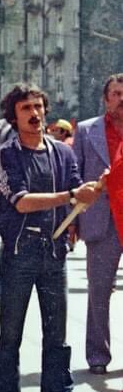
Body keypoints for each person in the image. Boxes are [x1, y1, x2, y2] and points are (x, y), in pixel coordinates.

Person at [0, 84, 102, 392]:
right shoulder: (6, 153)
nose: (35, 114)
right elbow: (21, 202)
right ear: (14, 115)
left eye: (38, 106)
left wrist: (86, 197)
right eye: (26, 108)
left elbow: (77, 191)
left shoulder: (62, 153)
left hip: (54, 254)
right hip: (19, 254)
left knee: (57, 336)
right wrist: (71, 195)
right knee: (10, 336)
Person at [72, 73, 123, 375]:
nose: (121, 99)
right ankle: (98, 356)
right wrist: (74, 221)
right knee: (99, 291)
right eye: (116, 93)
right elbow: (74, 175)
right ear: (105, 99)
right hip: (102, 221)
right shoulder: (86, 130)